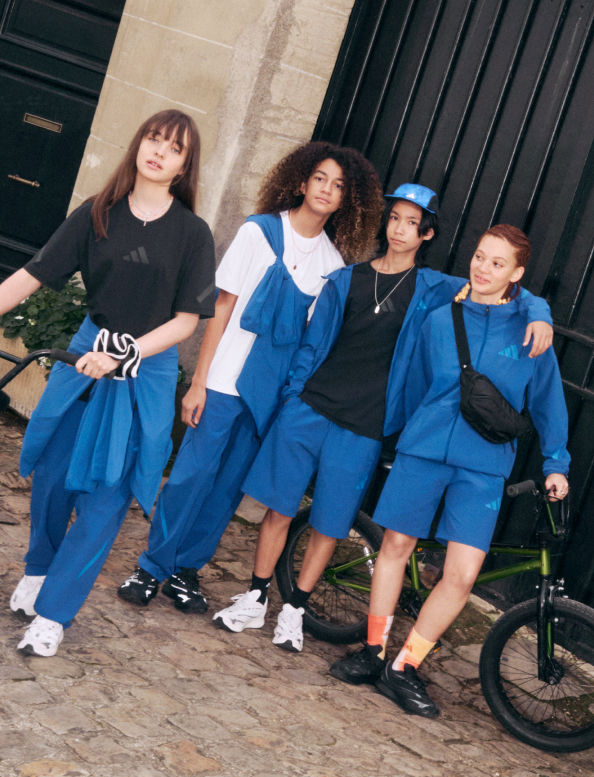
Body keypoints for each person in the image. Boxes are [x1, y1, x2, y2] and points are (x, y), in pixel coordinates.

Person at [212, 187, 554, 653]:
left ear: (427, 233)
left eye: (412, 222)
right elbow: (312, 344)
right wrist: (294, 397)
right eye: (394, 218)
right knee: (279, 508)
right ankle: (255, 596)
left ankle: (295, 609)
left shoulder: (436, 288)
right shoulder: (345, 278)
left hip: (365, 425)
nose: (399, 229)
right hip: (309, 409)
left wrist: (541, 313)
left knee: (331, 523)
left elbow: (502, 284)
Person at [117, 141, 385, 612]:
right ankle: (150, 567)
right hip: (223, 383)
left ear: (348, 199)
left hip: (269, 399)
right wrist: (198, 382)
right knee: (190, 477)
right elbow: (222, 308)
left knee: (227, 488)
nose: (326, 189)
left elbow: (310, 345)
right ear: (301, 181)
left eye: (339, 185)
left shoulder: (332, 265)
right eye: (319, 178)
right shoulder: (258, 232)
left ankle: (186, 571)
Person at [329, 224, 570, 718]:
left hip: (484, 467)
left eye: (498, 263)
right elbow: (413, 384)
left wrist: (556, 463)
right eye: (480, 256)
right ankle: (373, 650)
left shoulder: (532, 331)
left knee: (462, 575)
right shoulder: (440, 320)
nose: (483, 268)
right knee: (395, 546)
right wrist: (397, 436)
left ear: (517, 274)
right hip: (423, 452)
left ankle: (403, 667)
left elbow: (548, 403)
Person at [4, 109, 216, 656]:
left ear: (184, 166)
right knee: (53, 477)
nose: (159, 151)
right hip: (85, 355)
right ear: (138, 144)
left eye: (174, 147)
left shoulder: (192, 233)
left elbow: (187, 322)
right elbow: (31, 275)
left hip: (146, 368)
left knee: (105, 499)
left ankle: (54, 614)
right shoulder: (98, 212)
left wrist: (127, 353)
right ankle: (39, 568)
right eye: (153, 138)